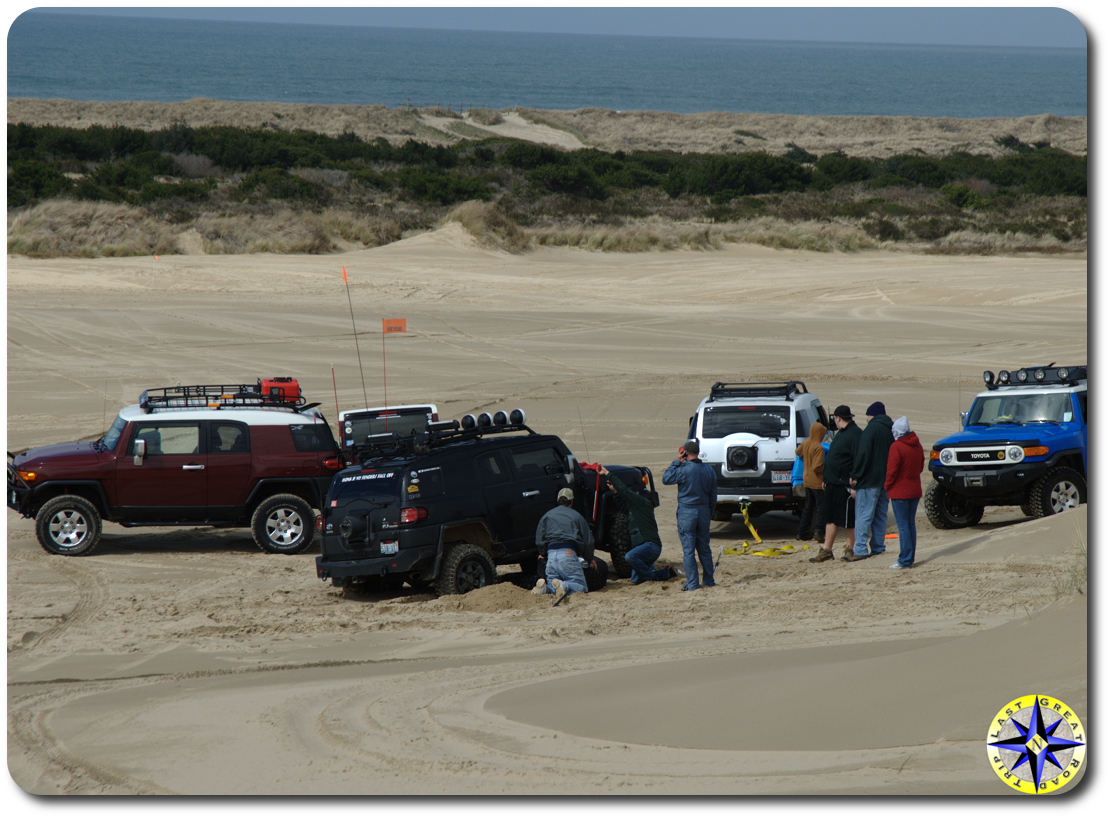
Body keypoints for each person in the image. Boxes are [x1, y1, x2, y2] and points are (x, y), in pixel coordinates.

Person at [600, 465, 679, 584]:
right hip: (645, 548)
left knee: (629, 557)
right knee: (636, 579)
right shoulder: (634, 508)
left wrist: (608, 473)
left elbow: (625, 491)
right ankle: (666, 573)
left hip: (650, 546)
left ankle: (653, 577)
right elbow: (622, 506)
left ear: (637, 493)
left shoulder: (643, 503)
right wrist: (615, 492)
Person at [662, 439, 718, 590]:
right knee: (704, 549)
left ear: (685, 453)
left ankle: (693, 583)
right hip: (704, 511)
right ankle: (709, 580)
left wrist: (676, 461)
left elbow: (666, 479)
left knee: (689, 551)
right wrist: (710, 513)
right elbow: (713, 495)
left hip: (687, 511)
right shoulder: (709, 470)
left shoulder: (683, 469)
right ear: (698, 452)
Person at [810, 406, 861, 563]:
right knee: (830, 518)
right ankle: (826, 550)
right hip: (832, 483)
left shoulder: (855, 434)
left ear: (838, 418)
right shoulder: (841, 433)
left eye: (834, 419)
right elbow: (832, 458)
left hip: (844, 484)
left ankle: (849, 549)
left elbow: (858, 461)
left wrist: (854, 485)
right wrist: (826, 478)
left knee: (847, 519)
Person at [846, 401, 894, 561]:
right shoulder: (891, 429)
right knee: (880, 515)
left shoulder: (871, 429)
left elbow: (863, 455)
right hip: (885, 481)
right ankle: (878, 547)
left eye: (867, 416)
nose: (866, 419)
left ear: (871, 415)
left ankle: (860, 549)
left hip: (869, 481)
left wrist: (855, 474)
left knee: (863, 515)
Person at [532, 487, 595, 602]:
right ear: (571, 501)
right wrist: (590, 558)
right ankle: (564, 586)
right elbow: (588, 541)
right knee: (581, 586)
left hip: (551, 556)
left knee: (553, 584)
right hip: (568, 554)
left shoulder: (547, 516)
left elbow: (539, 538)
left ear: (557, 500)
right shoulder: (577, 516)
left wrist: (542, 553)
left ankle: (544, 588)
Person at [885, 416, 925, 569]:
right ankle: (909, 558)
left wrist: (887, 485)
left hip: (900, 492)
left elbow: (892, 470)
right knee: (909, 525)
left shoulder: (897, 446)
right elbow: (920, 466)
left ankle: (905, 560)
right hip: (914, 490)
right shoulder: (917, 444)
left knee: (903, 526)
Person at [795, 420, 827, 542]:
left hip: (806, 480)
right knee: (821, 508)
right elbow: (817, 467)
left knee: (808, 508)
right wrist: (827, 469)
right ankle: (818, 531)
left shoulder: (805, 443)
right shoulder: (818, 447)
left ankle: (801, 532)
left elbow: (797, 452)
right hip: (817, 482)